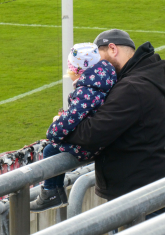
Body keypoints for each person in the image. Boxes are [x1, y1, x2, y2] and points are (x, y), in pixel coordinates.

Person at [64, 30, 165, 213]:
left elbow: (92, 133)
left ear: (112, 49)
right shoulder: (147, 75)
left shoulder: (131, 87)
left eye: (98, 59)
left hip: (138, 193)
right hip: (151, 185)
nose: (95, 68)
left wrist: (63, 125)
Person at [30, 43, 117, 213]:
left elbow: (72, 118)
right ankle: (55, 192)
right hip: (101, 137)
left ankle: (52, 193)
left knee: (50, 150)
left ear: (78, 71)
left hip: (91, 143)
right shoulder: (105, 77)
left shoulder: (87, 89)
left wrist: (53, 131)